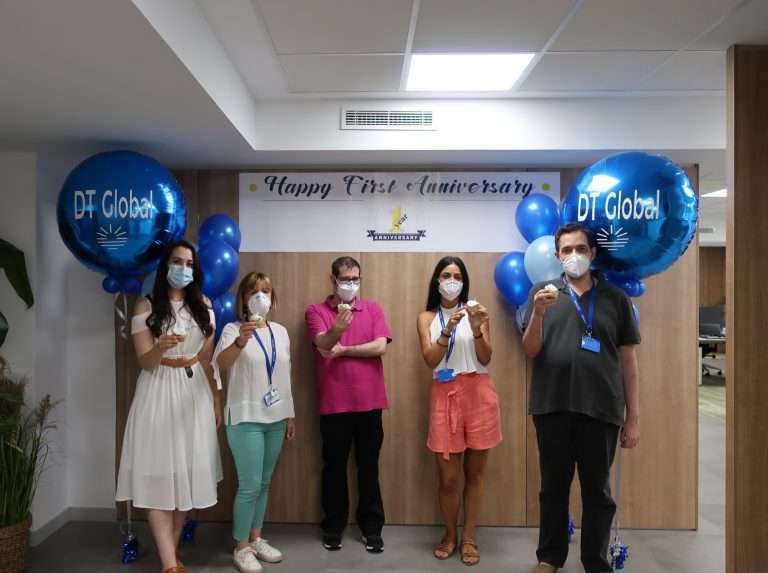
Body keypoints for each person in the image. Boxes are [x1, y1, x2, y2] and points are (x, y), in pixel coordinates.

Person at [522, 223, 641, 573]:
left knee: (597, 493)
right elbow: (530, 350)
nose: (574, 255)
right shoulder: (542, 294)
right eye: (567, 250)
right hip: (552, 406)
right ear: (557, 256)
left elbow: (629, 361)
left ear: (593, 253)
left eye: (581, 249)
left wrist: (633, 417)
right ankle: (549, 558)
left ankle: (596, 562)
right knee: (553, 490)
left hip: (601, 409)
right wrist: (538, 313)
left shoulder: (615, 299)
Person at [116, 240, 222, 573]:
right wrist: (160, 347)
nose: (183, 269)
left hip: (195, 394)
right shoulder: (145, 306)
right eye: (177, 262)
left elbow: (207, 361)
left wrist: (216, 399)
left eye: (189, 264)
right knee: (158, 475)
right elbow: (145, 362)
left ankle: (170, 556)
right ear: (165, 266)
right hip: (158, 390)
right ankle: (170, 566)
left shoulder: (204, 306)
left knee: (185, 476)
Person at [416, 256, 502, 566]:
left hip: (479, 393)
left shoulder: (477, 312)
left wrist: (477, 330)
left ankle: (468, 538)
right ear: (436, 281)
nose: (451, 281)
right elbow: (429, 359)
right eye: (445, 275)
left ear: (464, 282)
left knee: (475, 474)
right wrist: (447, 330)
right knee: (448, 478)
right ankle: (450, 534)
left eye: (457, 276)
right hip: (445, 395)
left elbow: (486, 357)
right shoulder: (427, 317)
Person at [304, 256, 392, 553]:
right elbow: (322, 344)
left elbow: (380, 346)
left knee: (369, 467)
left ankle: (372, 528)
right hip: (334, 404)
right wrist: (337, 331)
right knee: (334, 469)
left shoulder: (373, 308)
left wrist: (344, 350)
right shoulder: (316, 311)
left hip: (370, 403)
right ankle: (333, 527)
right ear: (333, 280)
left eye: (355, 279)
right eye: (345, 279)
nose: (351, 284)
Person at [213, 272, 296, 573]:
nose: (260, 296)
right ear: (243, 298)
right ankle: (241, 547)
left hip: (276, 417)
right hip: (244, 417)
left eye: (266, 291)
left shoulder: (281, 332)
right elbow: (220, 365)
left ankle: (256, 538)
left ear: (273, 298)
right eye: (254, 291)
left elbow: (285, 375)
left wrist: (290, 414)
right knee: (249, 485)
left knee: (264, 482)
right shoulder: (232, 329)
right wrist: (240, 342)